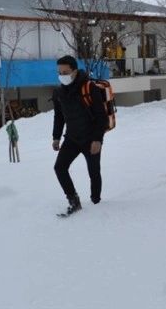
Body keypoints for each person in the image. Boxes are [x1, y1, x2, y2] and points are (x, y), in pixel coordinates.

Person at [52, 55, 110, 215]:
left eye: (65, 72)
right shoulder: (59, 92)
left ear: (74, 71)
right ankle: (73, 200)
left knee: (94, 172)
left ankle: (96, 202)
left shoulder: (89, 88)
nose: (62, 75)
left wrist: (98, 139)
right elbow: (59, 117)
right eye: (59, 72)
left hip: (91, 139)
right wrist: (56, 137)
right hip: (71, 138)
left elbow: (101, 117)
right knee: (59, 168)